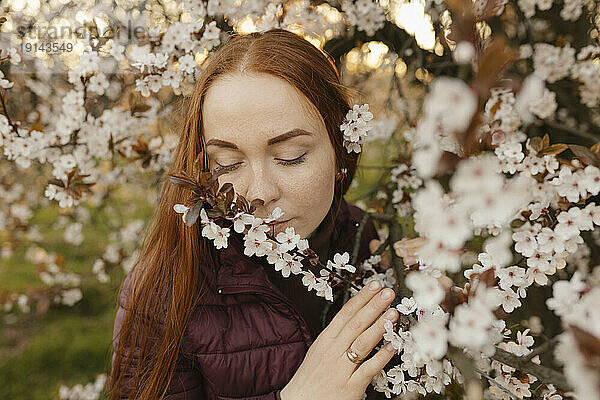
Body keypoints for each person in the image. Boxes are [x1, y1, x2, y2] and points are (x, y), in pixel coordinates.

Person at [109, 28, 398, 400]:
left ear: (341, 149)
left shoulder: (368, 243)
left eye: (290, 156)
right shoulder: (163, 293)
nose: (259, 193)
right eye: (228, 164)